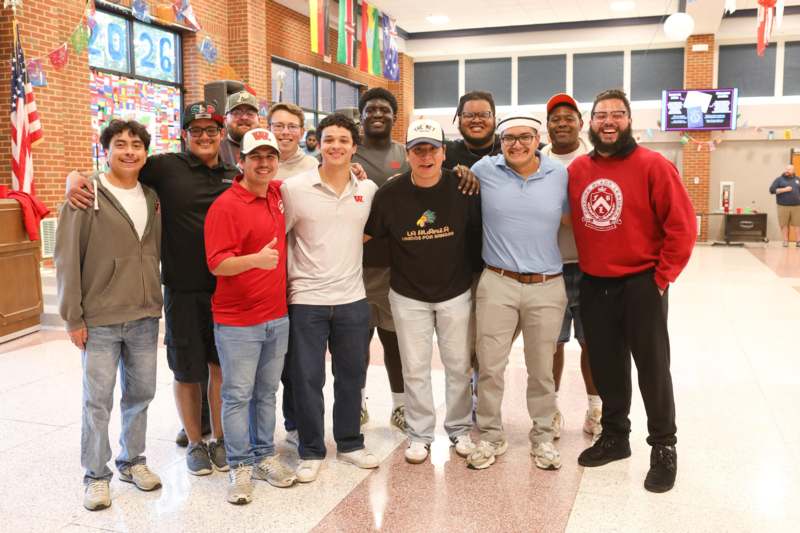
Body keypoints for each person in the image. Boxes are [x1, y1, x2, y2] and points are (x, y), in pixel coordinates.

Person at [67, 102, 239, 477]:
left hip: (227, 288)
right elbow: (116, 166)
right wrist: (73, 177)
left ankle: (221, 440)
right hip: (180, 289)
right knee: (186, 370)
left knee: (220, 367)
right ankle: (195, 443)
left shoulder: (233, 173)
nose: (205, 137)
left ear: (221, 134)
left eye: (212, 130)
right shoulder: (165, 167)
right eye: (197, 131)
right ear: (184, 135)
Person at [569, 89, 696, 493]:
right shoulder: (576, 170)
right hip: (594, 282)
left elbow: (682, 227)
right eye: (601, 114)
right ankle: (615, 436)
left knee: (653, 368)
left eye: (617, 114)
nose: (609, 121)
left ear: (629, 121)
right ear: (590, 123)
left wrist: (661, 278)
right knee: (607, 366)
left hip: (643, 281)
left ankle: (663, 447)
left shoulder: (653, 165)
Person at [56, 120, 163, 511]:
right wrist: (73, 317)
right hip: (99, 318)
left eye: (137, 145)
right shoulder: (86, 194)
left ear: (146, 153)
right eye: (121, 145)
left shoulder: (151, 196)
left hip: (144, 315)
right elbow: (67, 257)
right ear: (107, 150)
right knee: (97, 400)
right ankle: (95, 475)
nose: (130, 151)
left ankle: (132, 461)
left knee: (141, 394)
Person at [364, 119, 482, 464]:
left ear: (444, 152)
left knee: (458, 365)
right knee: (414, 367)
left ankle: (459, 429)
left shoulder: (463, 188)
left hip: (455, 292)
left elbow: (477, 235)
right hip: (407, 294)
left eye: (432, 148)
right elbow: (368, 237)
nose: (426, 156)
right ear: (408, 153)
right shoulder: (390, 193)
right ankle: (420, 435)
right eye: (418, 149)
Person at [466, 112, 569, 471]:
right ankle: (491, 436)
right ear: (500, 142)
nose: (516, 144)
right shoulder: (484, 169)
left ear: (537, 139)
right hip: (497, 282)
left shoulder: (558, 173)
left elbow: (575, 220)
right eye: (509, 138)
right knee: (490, 366)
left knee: (542, 369)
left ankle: (542, 437)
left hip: (547, 285)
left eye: (525, 137)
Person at [281, 113, 380, 483]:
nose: (336, 146)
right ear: (317, 144)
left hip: (353, 298)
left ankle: (351, 443)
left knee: (351, 375)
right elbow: (282, 235)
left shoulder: (366, 191)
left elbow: (368, 232)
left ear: (354, 147)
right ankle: (310, 449)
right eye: (329, 140)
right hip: (306, 298)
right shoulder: (294, 188)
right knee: (306, 376)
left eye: (343, 140)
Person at [205, 129, 297, 505]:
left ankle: (263, 456)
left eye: (269, 156)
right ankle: (240, 464)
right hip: (237, 322)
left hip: (277, 316)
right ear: (240, 161)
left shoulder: (276, 194)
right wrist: (257, 261)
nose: (263, 163)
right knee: (238, 394)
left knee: (266, 393)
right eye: (255, 156)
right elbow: (217, 264)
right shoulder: (225, 206)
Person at [540, 93, 601, 439]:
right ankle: (550, 409)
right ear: (547, 127)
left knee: (592, 342)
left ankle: (595, 409)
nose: (562, 123)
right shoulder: (535, 161)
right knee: (551, 343)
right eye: (555, 118)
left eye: (568, 117)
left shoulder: (595, 161)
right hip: (548, 267)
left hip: (591, 267)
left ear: (581, 123)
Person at [353, 87, 410, 430]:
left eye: (384, 110)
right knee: (356, 343)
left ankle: (401, 406)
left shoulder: (405, 155)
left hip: (395, 266)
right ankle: (356, 404)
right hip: (354, 265)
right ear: (361, 116)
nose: (377, 114)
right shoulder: (346, 151)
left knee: (394, 341)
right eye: (370, 109)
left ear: (393, 116)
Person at [443, 91, 502, 170]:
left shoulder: (509, 149)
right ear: (460, 120)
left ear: (494, 119)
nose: (476, 120)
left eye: (484, 114)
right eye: (468, 115)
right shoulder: (446, 153)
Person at [268, 102, 319, 179]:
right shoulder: (258, 165)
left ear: (302, 132)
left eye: (292, 126)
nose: (285, 132)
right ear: (268, 129)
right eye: (278, 126)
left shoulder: (313, 167)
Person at [219, 90, 260, 166]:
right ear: (225, 120)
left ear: (259, 119)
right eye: (237, 113)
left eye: (250, 113)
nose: (244, 117)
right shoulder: (215, 153)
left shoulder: (268, 150)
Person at [768, 164, 800, 247]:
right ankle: (785, 241)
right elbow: (771, 190)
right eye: (786, 169)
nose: (787, 171)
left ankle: (798, 241)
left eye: (789, 169)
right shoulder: (779, 180)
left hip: (797, 206)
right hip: (783, 206)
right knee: (784, 224)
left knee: (798, 224)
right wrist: (784, 190)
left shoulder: (797, 179)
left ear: (793, 171)